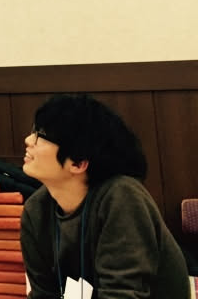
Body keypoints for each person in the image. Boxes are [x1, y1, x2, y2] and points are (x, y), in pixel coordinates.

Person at [20, 93, 189, 298]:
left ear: (78, 163)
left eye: (41, 135)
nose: (28, 140)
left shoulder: (122, 198)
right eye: (33, 131)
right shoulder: (36, 210)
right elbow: (42, 294)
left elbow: (122, 294)